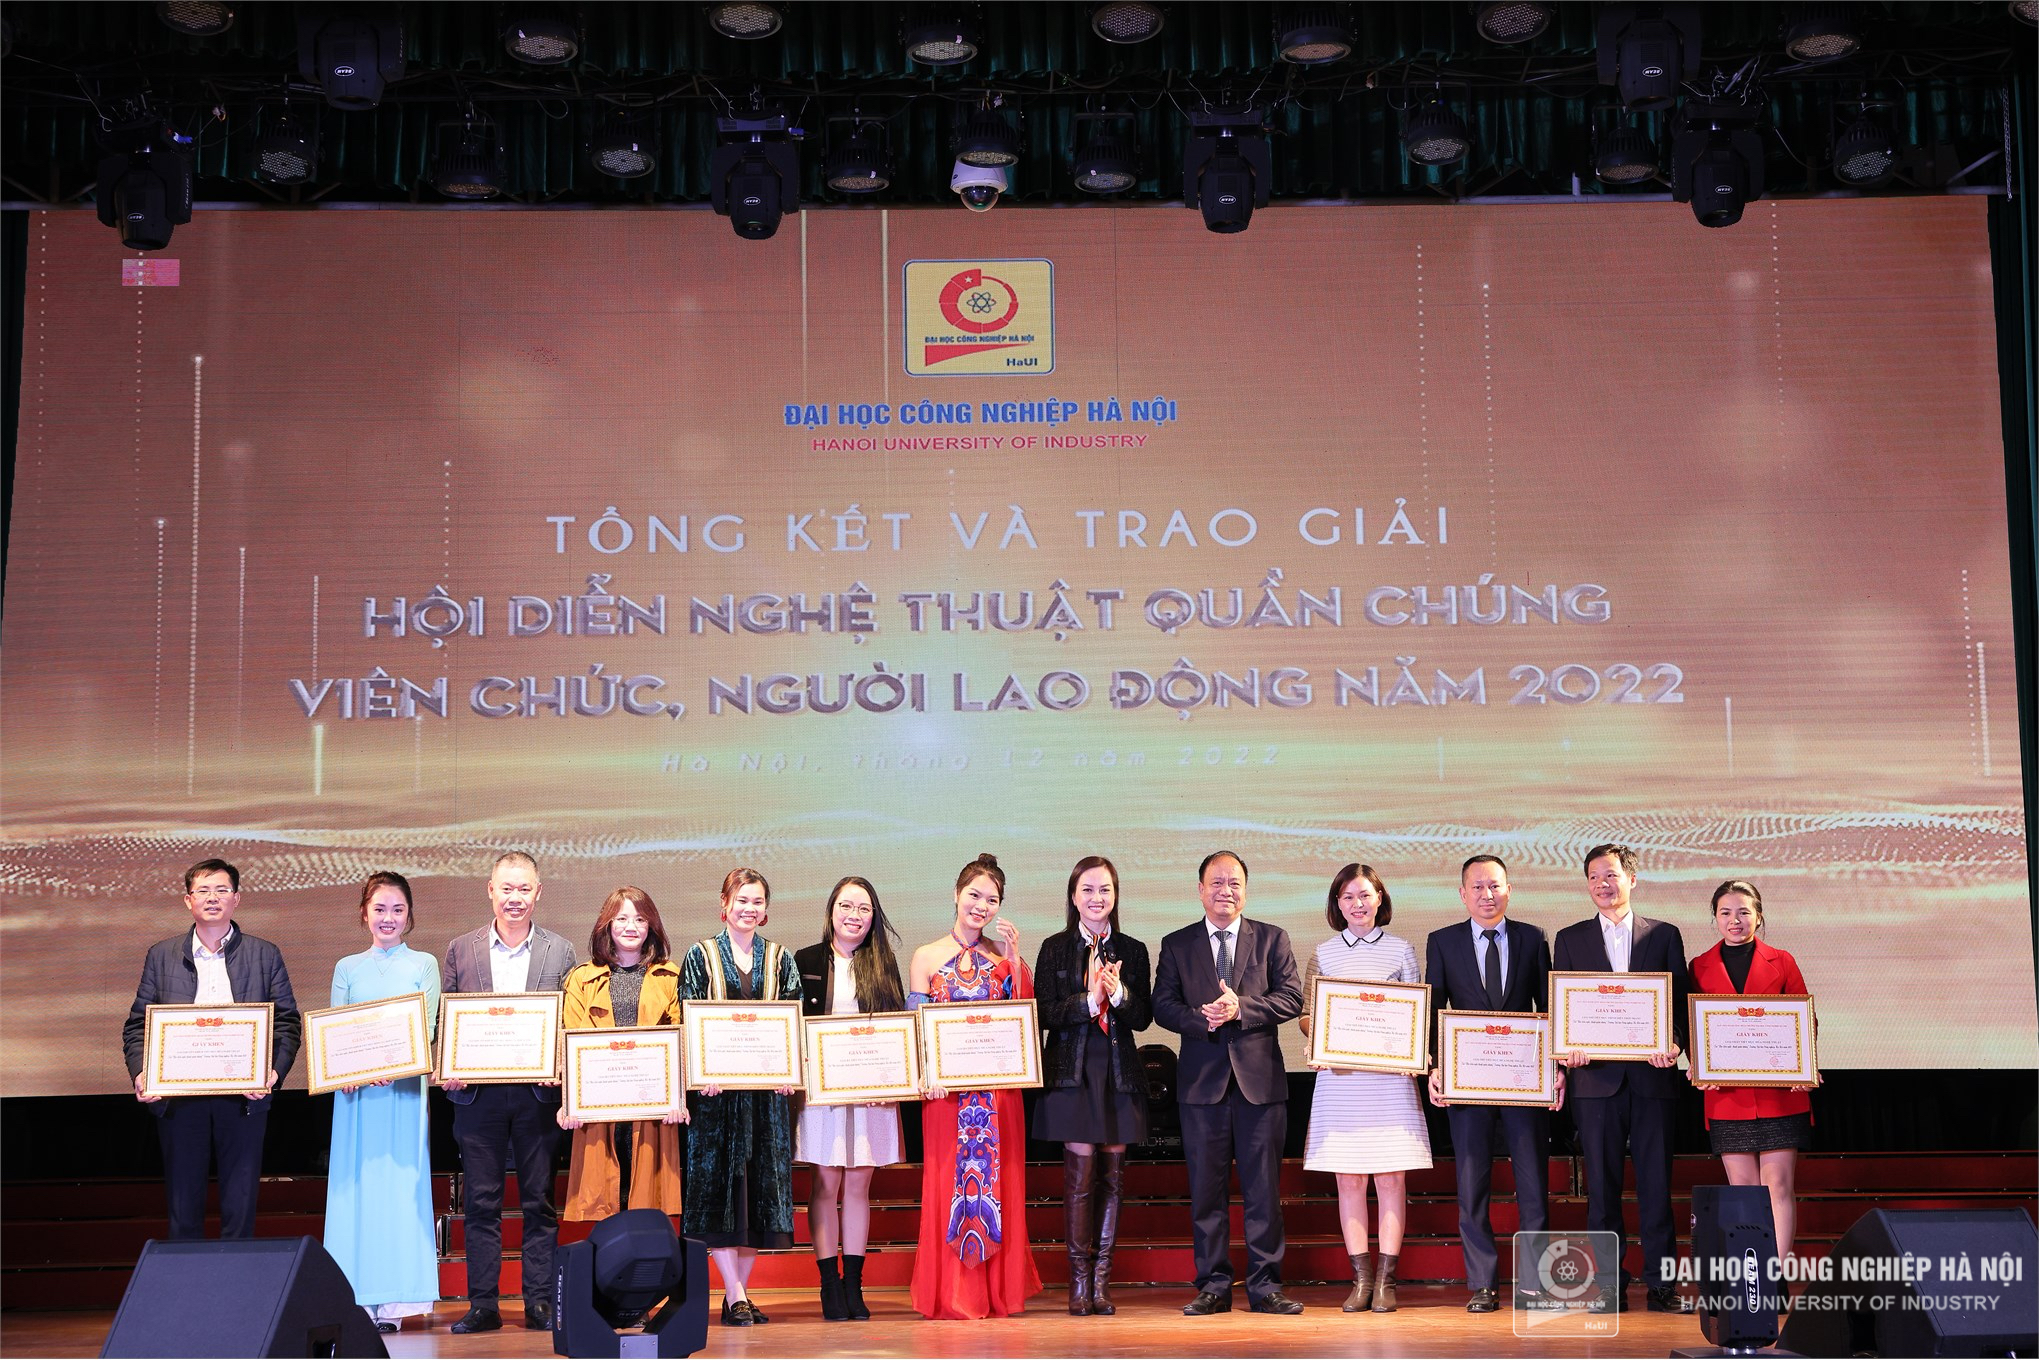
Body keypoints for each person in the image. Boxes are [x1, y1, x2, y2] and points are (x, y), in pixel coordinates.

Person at [1152, 851, 1306, 1316]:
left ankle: (1266, 1287)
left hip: (1260, 1085)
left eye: (1235, 882)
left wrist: (1242, 1009)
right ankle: (1214, 1286)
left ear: (1246, 890)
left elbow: (1292, 997)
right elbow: (1162, 1005)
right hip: (1202, 1087)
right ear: (1200, 889)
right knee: (1206, 1192)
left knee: (1263, 1192)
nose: (1226, 891)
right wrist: (1203, 1019)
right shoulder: (1177, 944)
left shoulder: (1272, 938)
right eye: (1216, 883)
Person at [123, 858, 301, 1241]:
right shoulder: (162, 954)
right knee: (183, 1210)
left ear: (236, 899)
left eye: (222, 890)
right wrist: (141, 1073)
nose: (212, 897)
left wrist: (272, 1072)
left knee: (240, 1208)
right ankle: (185, 1280)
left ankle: (236, 1279)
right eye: (203, 890)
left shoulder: (265, 954)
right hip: (179, 1099)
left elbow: (287, 1023)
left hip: (243, 1098)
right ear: (188, 900)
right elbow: (138, 1025)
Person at [440, 850, 578, 1334]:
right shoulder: (461, 949)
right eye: (506, 888)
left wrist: (559, 1065)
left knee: (539, 1201)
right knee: (482, 1203)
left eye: (524, 889)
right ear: (490, 890)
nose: (514, 898)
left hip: (537, 1096)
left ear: (537, 892)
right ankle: (483, 1305)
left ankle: (538, 1302)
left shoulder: (560, 951)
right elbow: (447, 1019)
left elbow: (568, 1025)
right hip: (477, 1097)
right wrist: (449, 1064)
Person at [1554, 842, 1692, 1314]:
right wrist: (1566, 1048)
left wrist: (1676, 1043)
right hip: (1594, 1083)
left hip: (1653, 1080)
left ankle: (1662, 1284)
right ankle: (1608, 1284)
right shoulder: (1569, 938)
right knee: (1601, 1191)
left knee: (1657, 1187)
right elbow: (1563, 1008)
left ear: (1632, 879)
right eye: (1594, 877)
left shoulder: (1664, 934)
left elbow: (1679, 1004)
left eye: (1611, 875)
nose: (1603, 884)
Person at [906, 853, 1042, 1320]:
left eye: (992, 900)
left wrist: (1015, 960)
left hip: (998, 1097)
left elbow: (1024, 1023)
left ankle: (997, 1291)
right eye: (974, 895)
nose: (982, 906)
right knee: (947, 1185)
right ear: (956, 894)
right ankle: (952, 1293)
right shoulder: (926, 956)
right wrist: (927, 1076)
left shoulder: (1003, 956)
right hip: (947, 1099)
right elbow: (917, 1030)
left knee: (999, 1188)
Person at [1423, 854, 1562, 1314]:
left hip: (1524, 1082)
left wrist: (1556, 1068)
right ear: (1463, 894)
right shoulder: (1442, 941)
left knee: (1533, 1185)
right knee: (1472, 1185)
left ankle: (1536, 1283)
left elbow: (1550, 1008)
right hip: (1467, 1082)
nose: (1487, 895)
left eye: (1495, 886)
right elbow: (1434, 1010)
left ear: (1509, 890)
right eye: (1478, 887)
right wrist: (1434, 1067)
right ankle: (1482, 1284)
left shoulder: (1532, 938)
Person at [1299, 864, 1432, 1315]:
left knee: (1392, 1177)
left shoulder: (1401, 949)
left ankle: (1387, 1282)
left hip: (1390, 1080)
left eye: (1365, 895)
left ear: (1380, 899)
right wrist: (1318, 1038)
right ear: (1337, 904)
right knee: (1349, 1178)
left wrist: (1413, 1052)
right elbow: (1307, 1014)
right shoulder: (1324, 952)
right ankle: (1361, 1280)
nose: (1357, 904)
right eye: (1348, 897)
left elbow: (1417, 1012)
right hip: (1342, 1080)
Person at [680, 867, 803, 1327]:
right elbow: (688, 1021)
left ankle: (740, 1293)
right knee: (721, 1194)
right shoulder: (700, 956)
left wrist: (790, 1072)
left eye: (757, 901)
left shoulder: (781, 959)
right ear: (724, 903)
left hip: (767, 1101)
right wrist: (701, 1072)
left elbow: (792, 1022)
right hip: (717, 1101)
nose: (749, 908)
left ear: (766, 909)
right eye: (742, 899)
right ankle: (734, 1294)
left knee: (757, 1199)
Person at [1032, 855, 1153, 1316]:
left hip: (1118, 1072)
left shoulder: (1134, 950)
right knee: (1080, 1180)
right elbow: (1044, 1012)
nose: (1096, 898)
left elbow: (1142, 1017)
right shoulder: (1054, 948)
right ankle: (1078, 1283)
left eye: (1105, 890)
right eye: (1087, 889)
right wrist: (1090, 1000)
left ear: (1115, 896)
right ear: (1073, 895)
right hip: (1072, 1072)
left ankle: (1101, 1283)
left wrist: (1118, 994)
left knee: (1113, 1181)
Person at [324, 872, 442, 1333]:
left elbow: (426, 1028)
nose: (388, 918)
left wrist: (397, 1063)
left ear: (409, 914)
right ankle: (353, 1301)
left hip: (403, 1094)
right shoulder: (347, 968)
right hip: (356, 1098)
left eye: (397, 909)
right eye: (379, 909)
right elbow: (335, 1032)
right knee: (355, 1190)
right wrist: (351, 1071)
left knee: (398, 1189)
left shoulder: (424, 964)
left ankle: (394, 1303)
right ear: (364, 913)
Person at [794, 876, 907, 1322]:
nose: (854, 915)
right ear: (831, 910)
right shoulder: (805, 960)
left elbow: (897, 1028)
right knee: (825, 1184)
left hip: (871, 1093)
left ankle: (854, 1284)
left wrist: (891, 1082)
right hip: (821, 1092)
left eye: (863, 908)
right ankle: (829, 1283)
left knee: (859, 1186)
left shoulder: (884, 963)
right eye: (846, 905)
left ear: (873, 916)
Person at [1688, 879, 1814, 1263]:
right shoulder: (1698, 966)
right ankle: (1752, 1276)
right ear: (1715, 918)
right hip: (1727, 1096)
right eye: (1725, 912)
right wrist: (1698, 1065)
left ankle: (1774, 1275)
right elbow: (1694, 1027)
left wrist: (1804, 1066)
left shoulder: (1783, 960)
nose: (1735, 920)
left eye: (1744, 912)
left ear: (1758, 916)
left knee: (1778, 1186)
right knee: (1742, 1190)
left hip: (1780, 1093)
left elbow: (1805, 1020)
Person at [557, 887, 687, 1223]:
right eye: (622, 918)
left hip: (653, 1110)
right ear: (607, 925)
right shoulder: (581, 980)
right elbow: (572, 1044)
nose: (631, 926)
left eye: (640, 919)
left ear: (651, 926)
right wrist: (570, 1102)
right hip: (600, 1109)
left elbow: (680, 1043)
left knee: (647, 1204)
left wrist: (678, 1098)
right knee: (605, 1202)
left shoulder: (671, 977)